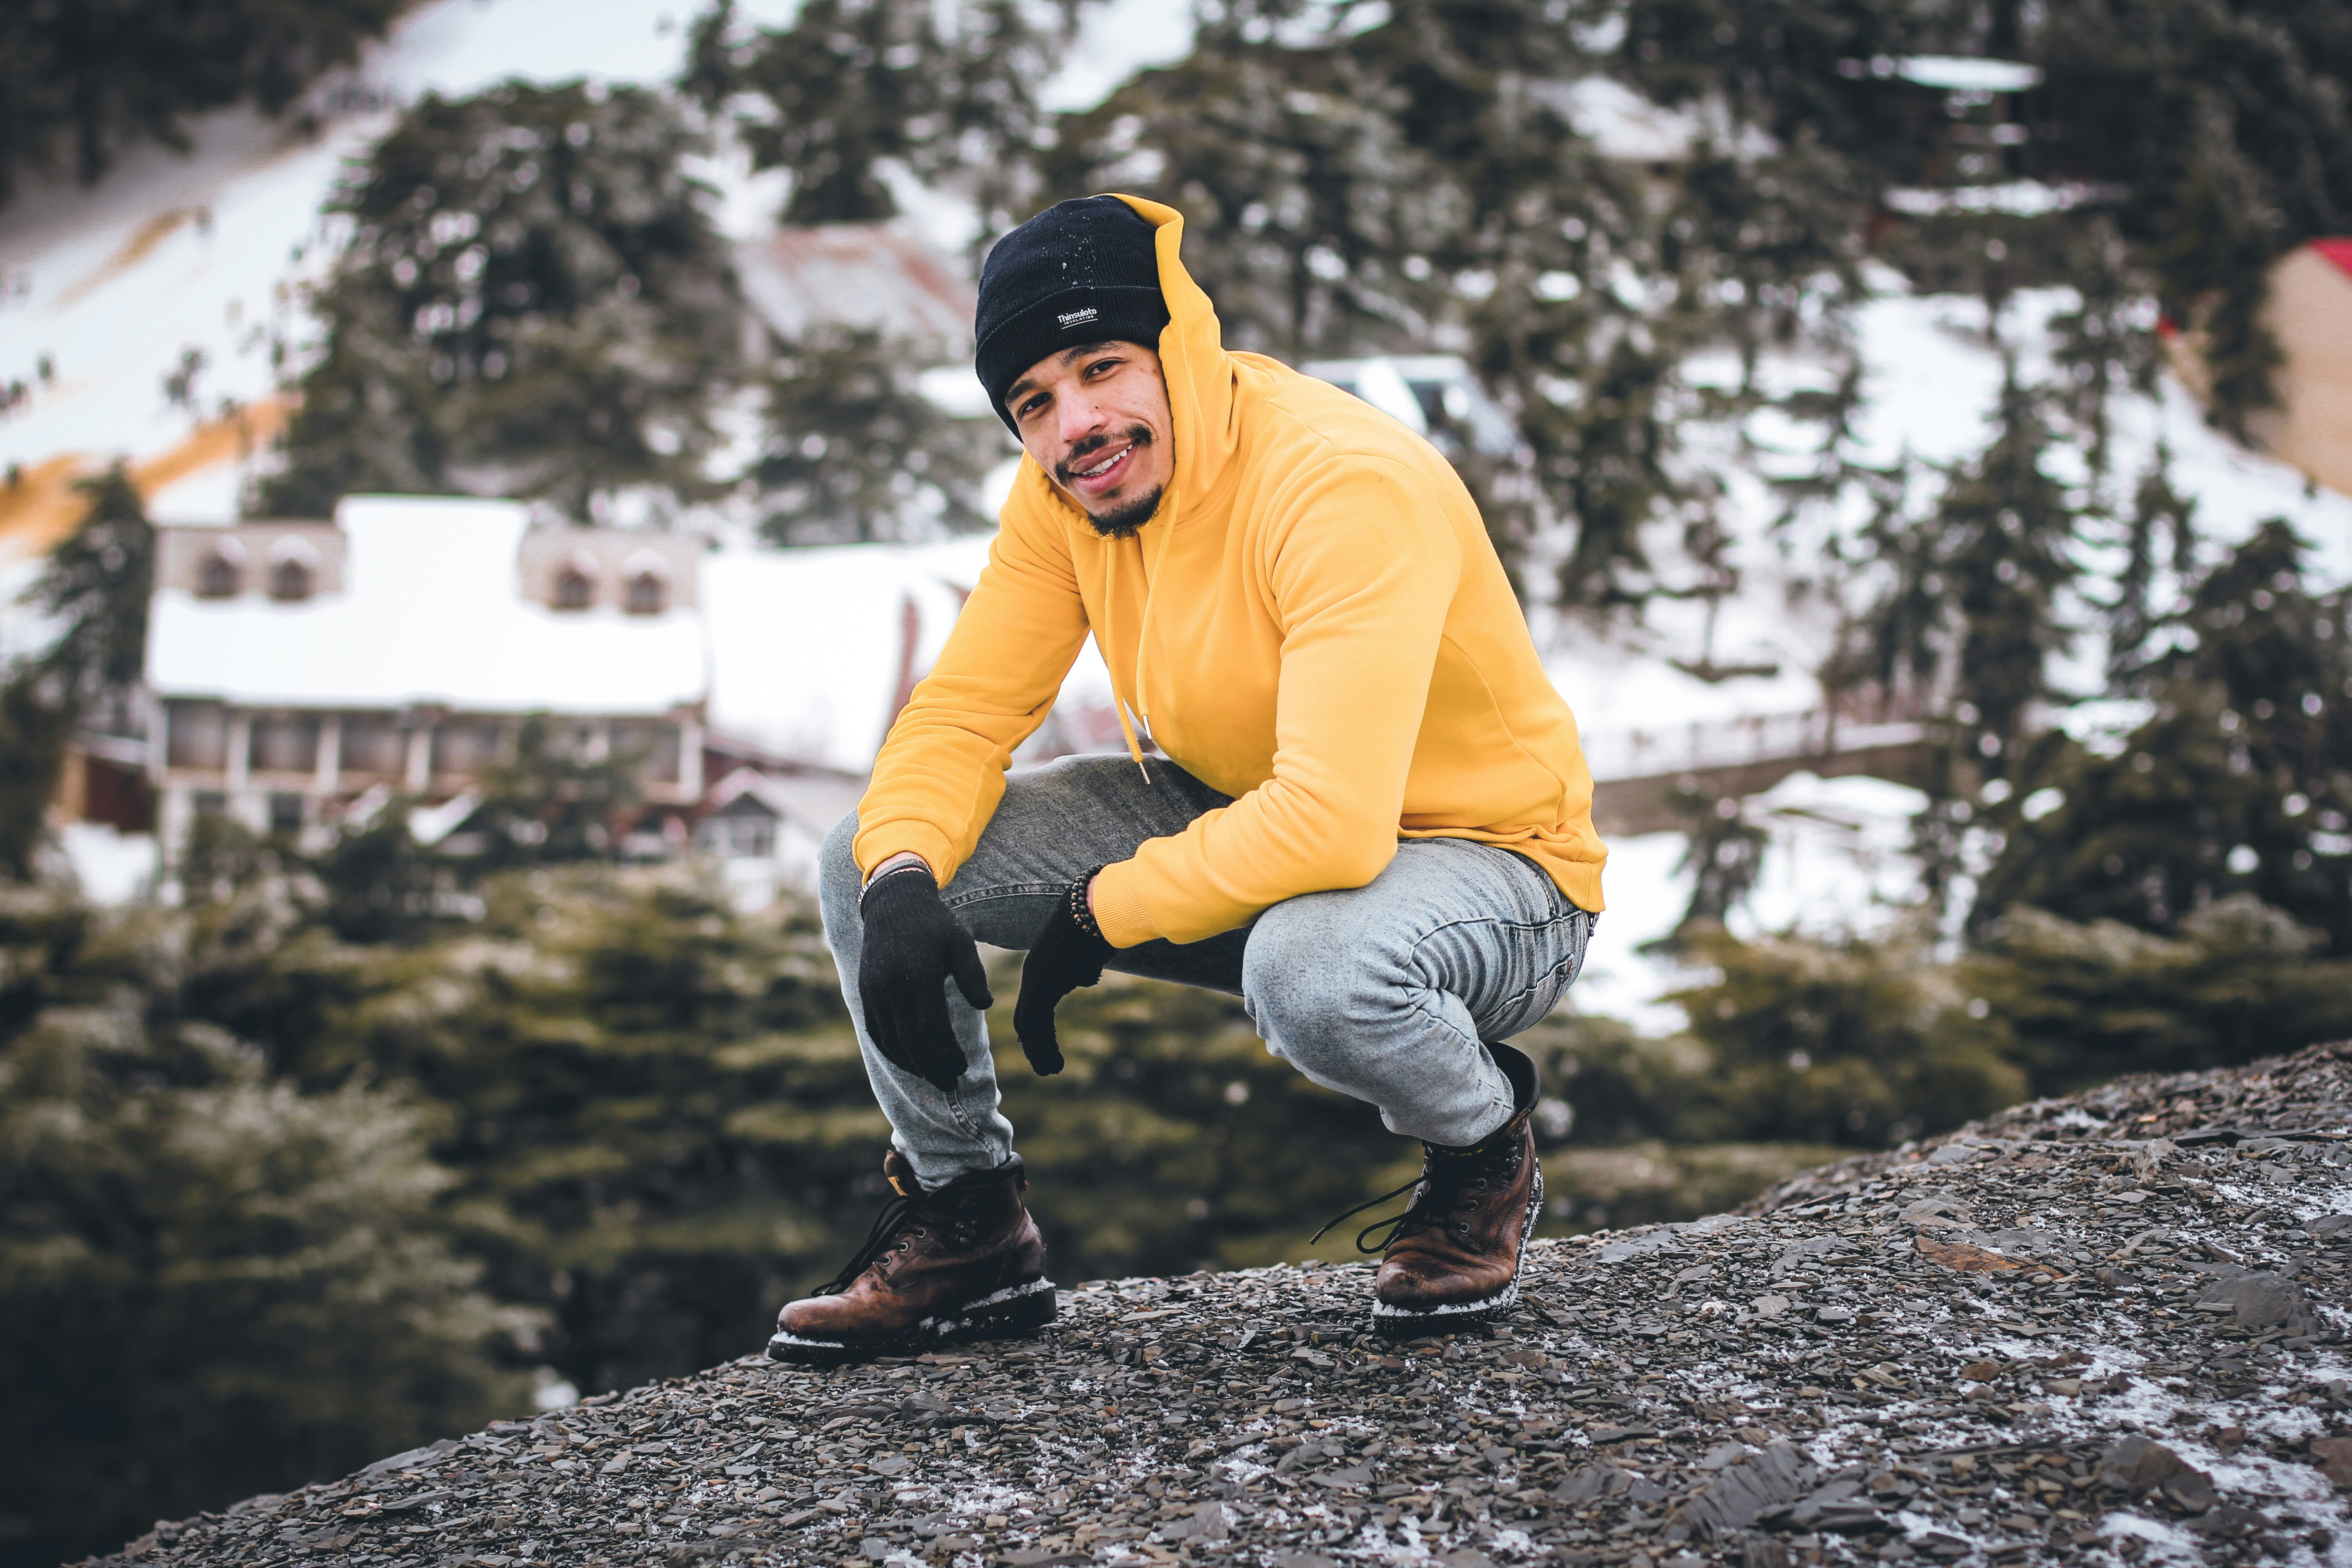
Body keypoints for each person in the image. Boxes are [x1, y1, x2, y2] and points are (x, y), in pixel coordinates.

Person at [769, 194, 1605, 1367]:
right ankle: (968, 1224)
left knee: (1312, 967)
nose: (1077, 424)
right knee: (860, 855)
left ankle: (1481, 1151)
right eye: (1035, 402)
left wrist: (1096, 913)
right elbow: (962, 712)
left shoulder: (1335, 484)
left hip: (1496, 875)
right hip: (1239, 812)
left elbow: (1331, 827)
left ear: (1179, 346)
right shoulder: (1066, 497)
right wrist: (904, 877)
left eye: (1101, 365)